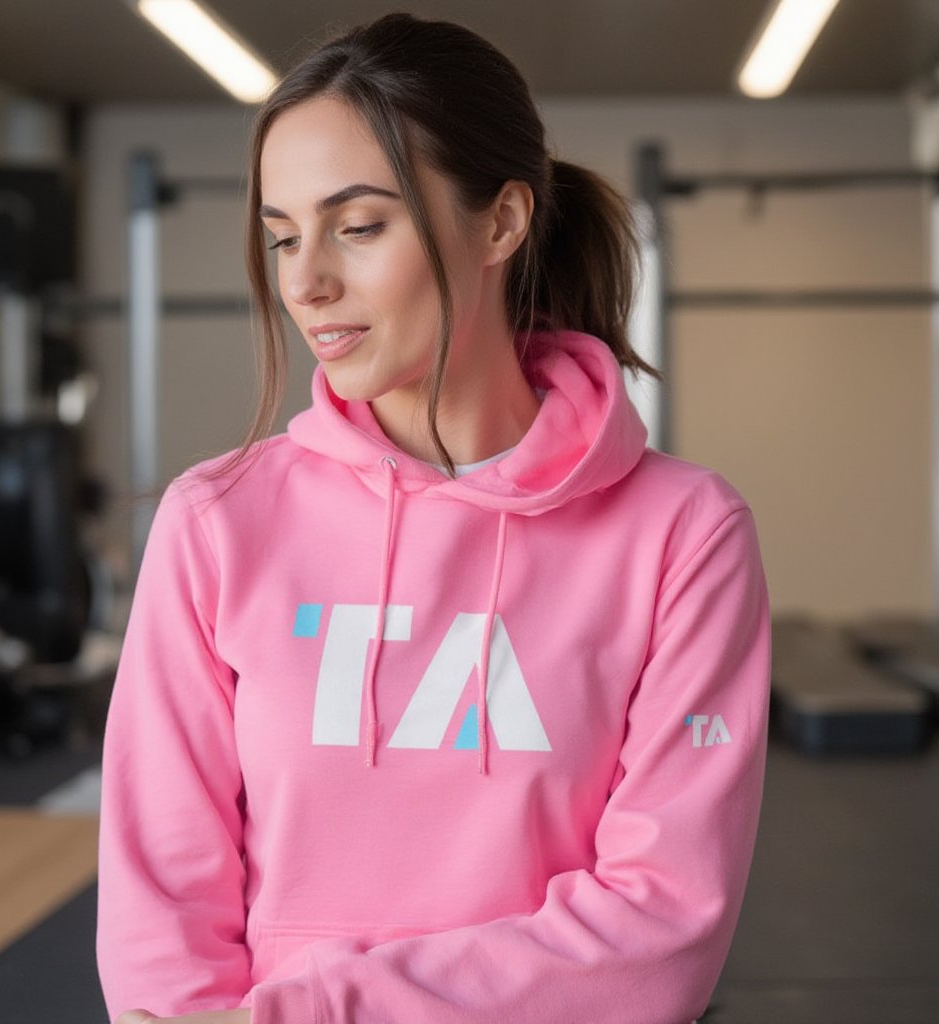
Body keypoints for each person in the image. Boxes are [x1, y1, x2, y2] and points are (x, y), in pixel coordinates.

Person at [97, 12, 771, 1024]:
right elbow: (161, 900)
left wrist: (307, 1014)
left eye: (358, 226)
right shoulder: (216, 523)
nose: (305, 281)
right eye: (283, 236)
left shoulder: (684, 535)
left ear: (501, 222)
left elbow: (662, 924)